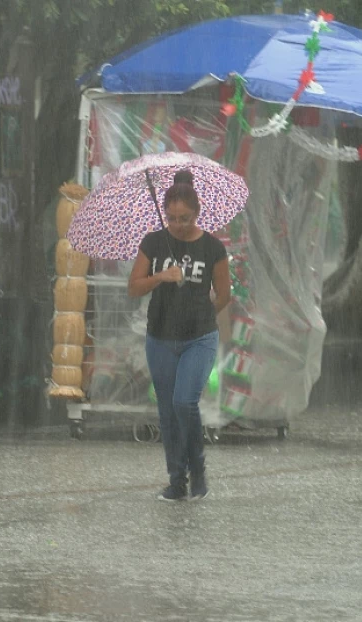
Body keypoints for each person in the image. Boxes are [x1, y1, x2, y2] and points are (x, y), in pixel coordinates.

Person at [128, 170, 232, 501]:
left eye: (184, 218)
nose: (178, 224)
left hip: (199, 337)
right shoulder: (154, 243)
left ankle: (197, 467)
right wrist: (161, 276)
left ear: (196, 213)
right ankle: (177, 480)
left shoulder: (212, 247)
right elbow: (134, 287)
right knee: (167, 411)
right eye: (172, 218)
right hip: (160, 337)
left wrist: (204, 314)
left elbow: (225, 293)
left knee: (183, 401)